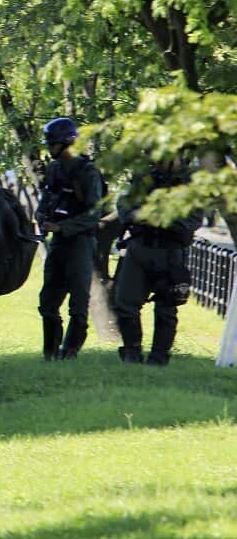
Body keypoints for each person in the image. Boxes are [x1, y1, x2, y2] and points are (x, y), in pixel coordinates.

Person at [113, 161, 202, 365]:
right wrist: (133, 215)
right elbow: (124, 204)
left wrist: (160, 218)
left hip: (170, 251)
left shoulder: (191, 181)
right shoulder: (143, 175)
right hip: (139, 246)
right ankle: (131, 352)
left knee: (166, 306)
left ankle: (159, 357)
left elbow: (194, 219)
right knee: (125, 302)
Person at [36, 117, 104, 360]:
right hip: (59, 242)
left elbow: (95, 213)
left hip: (80, 242)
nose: (49, 148)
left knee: (78, 304)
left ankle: (70, 352)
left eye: (52, 143)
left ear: (65, 143)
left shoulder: (88, 172)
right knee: (47, 302)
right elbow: (48, 196)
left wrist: (62, 227)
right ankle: (50, 353)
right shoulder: (55, 169)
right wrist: (41, 214)